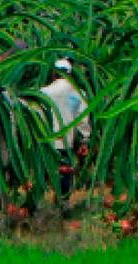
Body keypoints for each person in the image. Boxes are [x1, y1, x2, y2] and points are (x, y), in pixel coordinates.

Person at [40, 59, 91, 197]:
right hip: (67, 140)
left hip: (46, 139)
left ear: (53, 73)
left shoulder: (43, 92)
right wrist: (85, 140)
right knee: (66, 170)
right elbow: (83, 119)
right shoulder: (79, 93)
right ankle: (63, 201)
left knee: (47, 169)